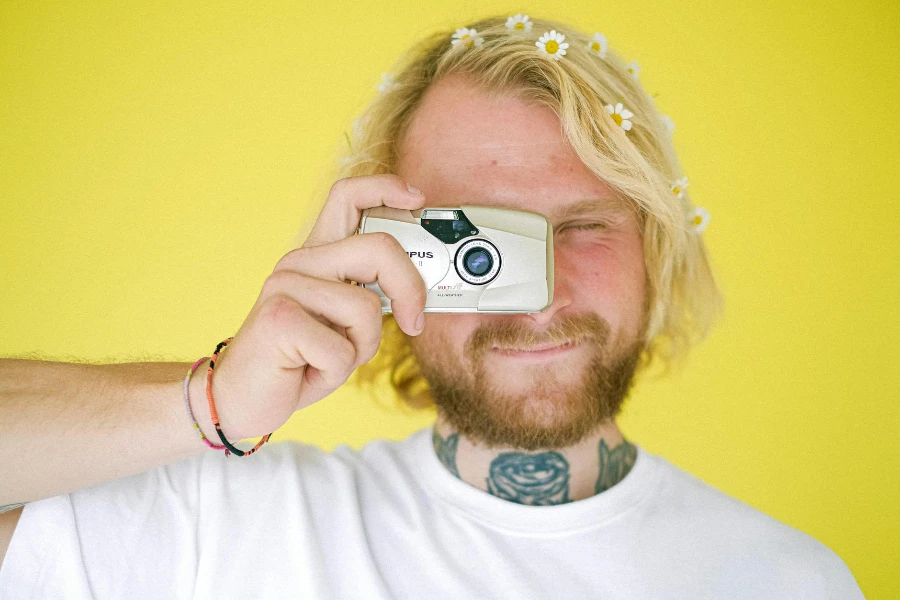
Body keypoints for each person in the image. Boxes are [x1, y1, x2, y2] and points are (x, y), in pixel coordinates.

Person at [0, 15, 864, 599]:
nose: (539, 296)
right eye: (477, 244)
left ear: (657, 252)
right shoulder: (210, 528)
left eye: (583, 226)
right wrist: (213, 400)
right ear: (382, 256)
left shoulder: (791, 581)